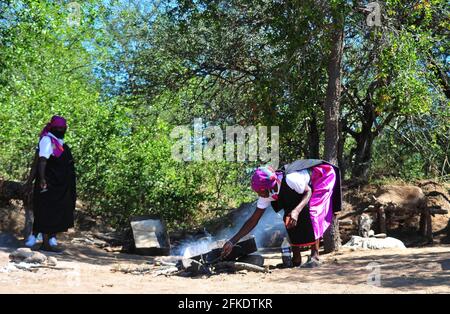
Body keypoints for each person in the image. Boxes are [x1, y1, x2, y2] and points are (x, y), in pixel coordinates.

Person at [221, 160, 341, 267]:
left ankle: (315, 257)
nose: (258, 194)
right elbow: (253, 220)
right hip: (300, 190)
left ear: (268, 187)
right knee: (288, 218)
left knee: (312, 213)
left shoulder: (291, 179)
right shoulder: (266, 194)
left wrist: (296, 210)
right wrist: (232, 241)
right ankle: (296, 259)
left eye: (259, 191)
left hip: (321, 177)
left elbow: (308, 191)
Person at [24, 116, 76, 253]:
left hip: (59, 185)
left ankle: (50, 240)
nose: (61, 130)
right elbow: (41, 161)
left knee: (56, 210)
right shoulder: (47, 140)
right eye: (58, 128)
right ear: (52, 127)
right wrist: (41, 179)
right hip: (48, 182)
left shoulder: (59, 141)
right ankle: (45, 244)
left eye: (63, 128)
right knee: (46, 211)